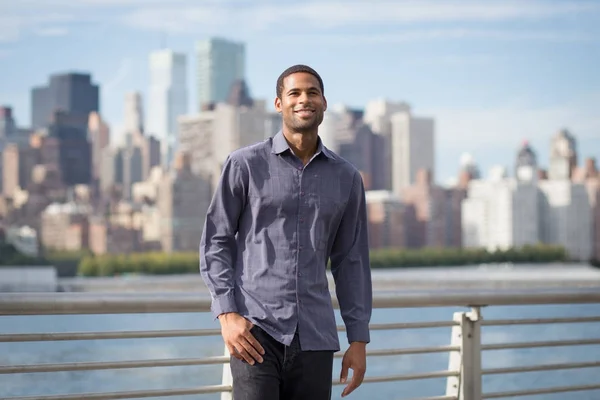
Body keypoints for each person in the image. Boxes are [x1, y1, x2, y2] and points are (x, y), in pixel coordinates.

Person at [199, 64, 373, 400]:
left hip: (315, 338)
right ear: (279, 104)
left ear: (324, 103)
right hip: (255, 333)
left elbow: (351, 261)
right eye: (294, 93)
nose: (303, 99)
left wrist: (359, 339)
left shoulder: (347, 178)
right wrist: (227, 314)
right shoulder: (244, 164)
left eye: (312, 93)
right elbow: (216, 241)